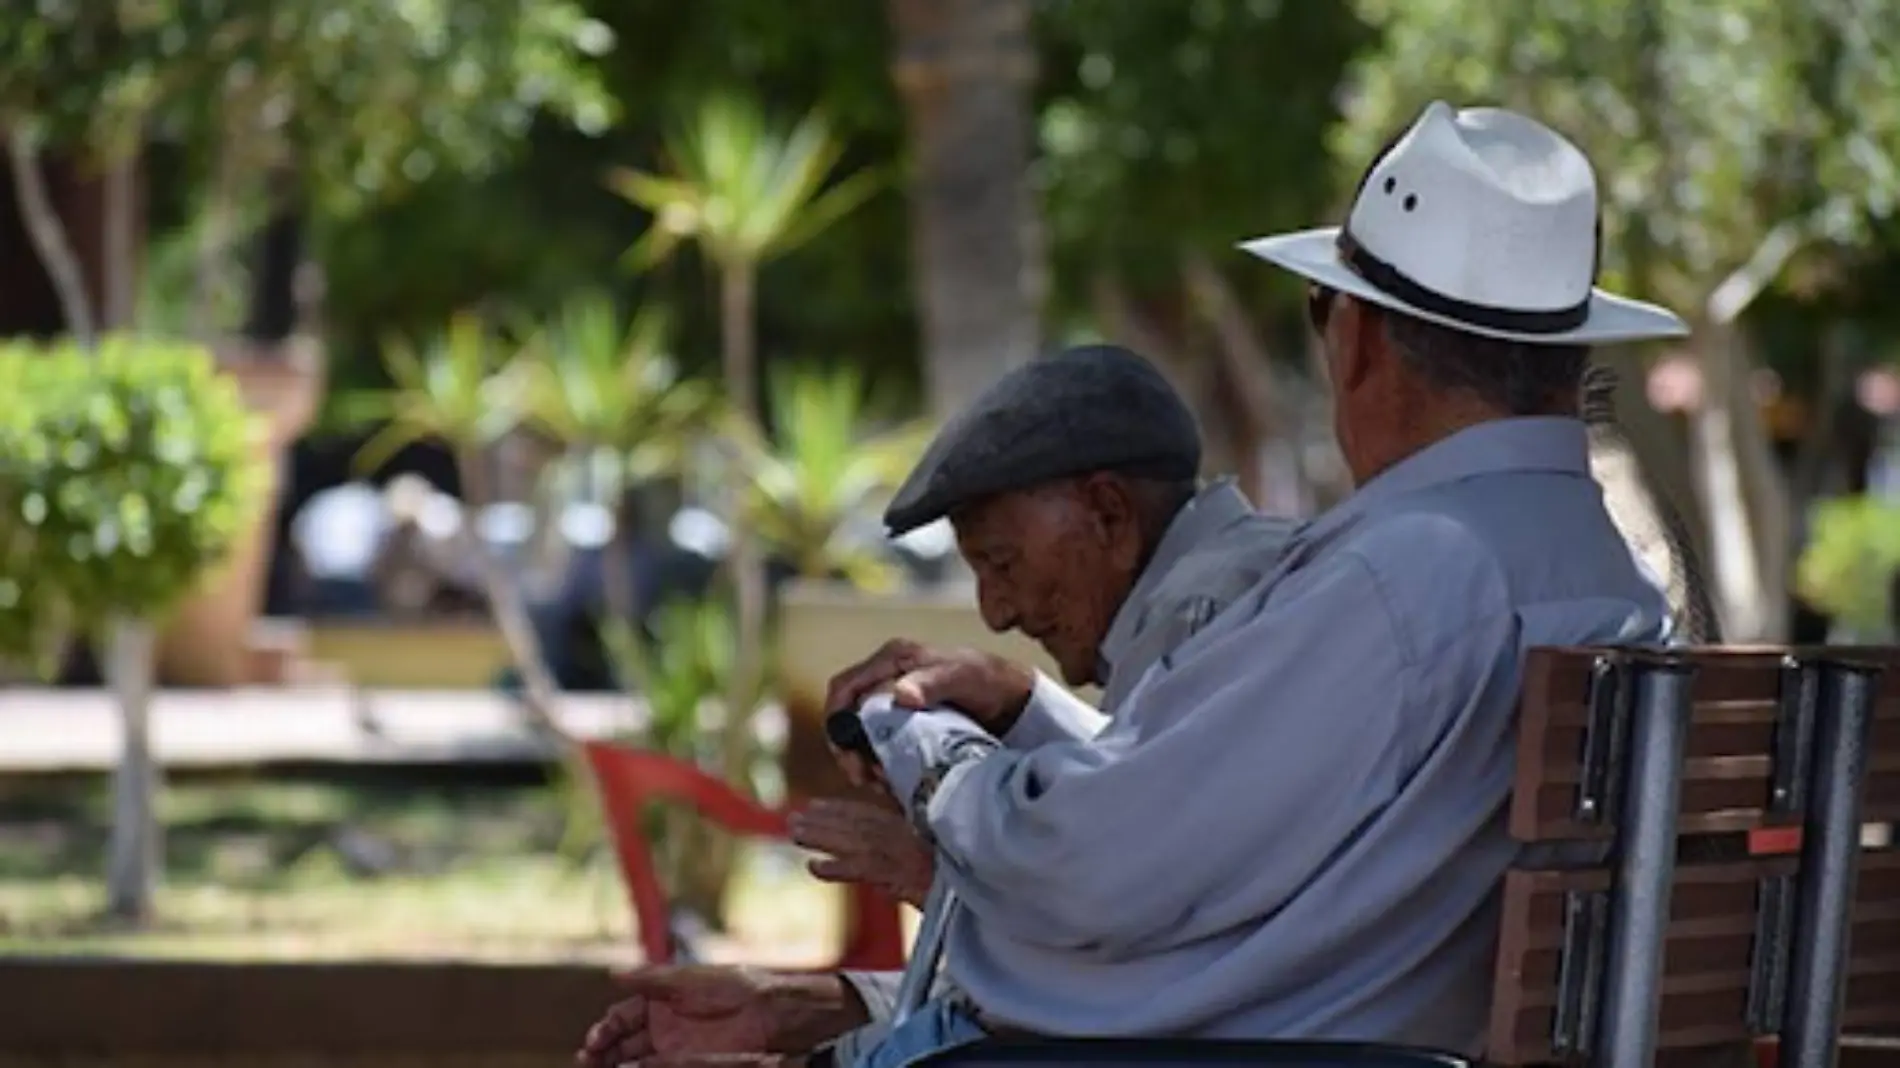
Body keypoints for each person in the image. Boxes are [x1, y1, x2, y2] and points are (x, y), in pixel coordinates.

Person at [810, 100, 1688, 1067]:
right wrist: (1026, 711)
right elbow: (1205, 807)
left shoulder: (1415, 569)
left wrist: (922, 744)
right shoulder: (1601, 568)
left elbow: (1091, 863)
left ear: (1354, 336)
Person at [576, 344, 1296, 1068]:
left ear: (1108, 511)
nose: (997, 611)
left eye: (1002, 564)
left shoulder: (1217, 610)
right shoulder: (1220, 597)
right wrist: (794, 1011)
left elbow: (1147, 950)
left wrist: (947, 864)